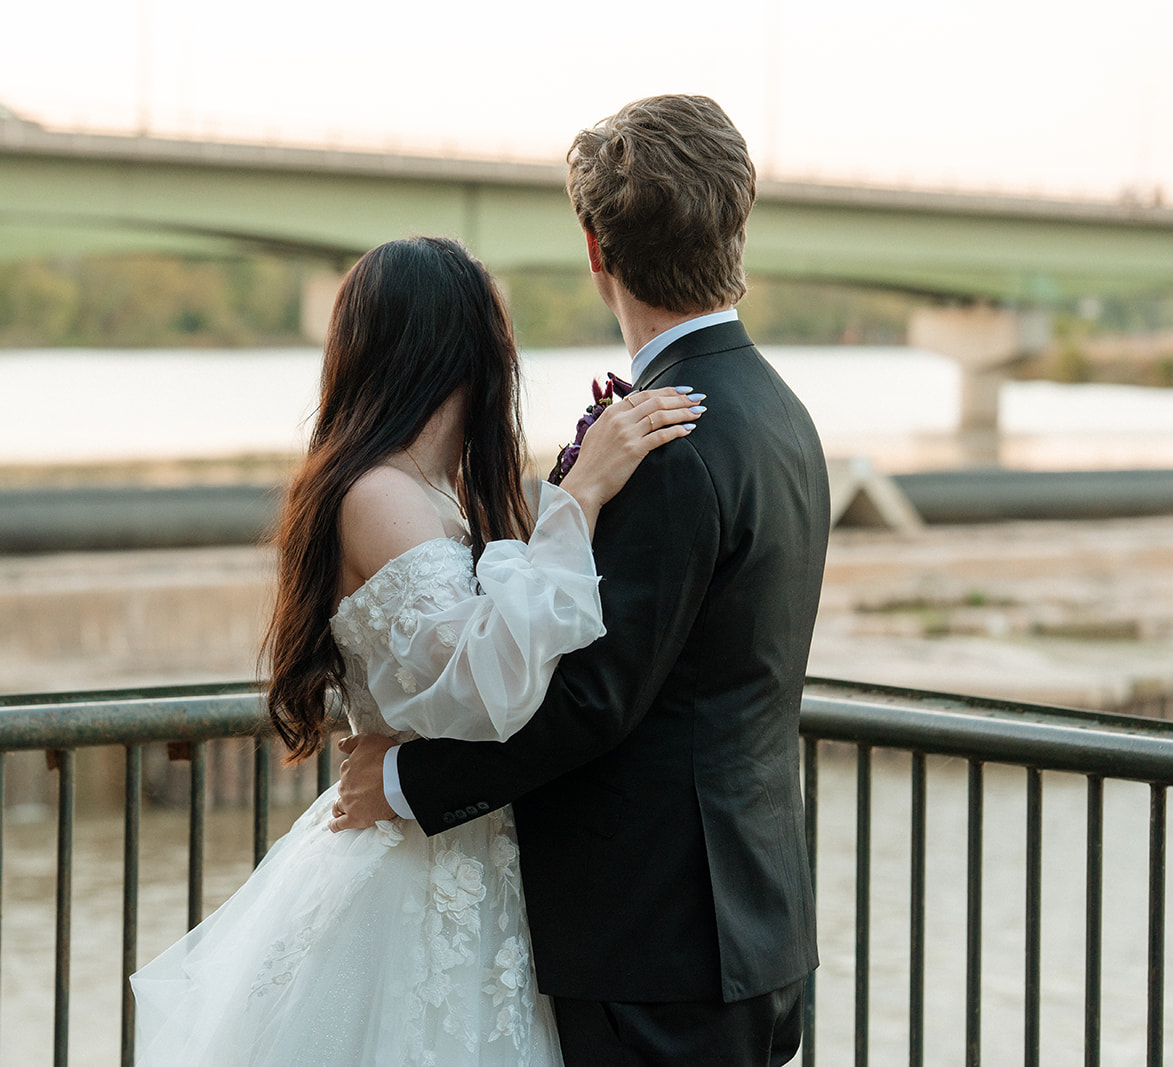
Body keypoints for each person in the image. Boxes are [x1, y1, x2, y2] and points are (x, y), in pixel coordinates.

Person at [331, 95, 830, 1066]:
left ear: (596, 252)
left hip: (658, 944)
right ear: (737, 228)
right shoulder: (779, 413)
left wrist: (400, 777)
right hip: (755, 924)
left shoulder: (668, 438)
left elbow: (594, 699)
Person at [129, 234, 702, 1065]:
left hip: (480, 864)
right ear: (460, 349)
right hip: (416, 885)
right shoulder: (378, 494)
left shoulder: (456, 491)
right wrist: (577, 498)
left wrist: (577, 492)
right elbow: (480, 685)